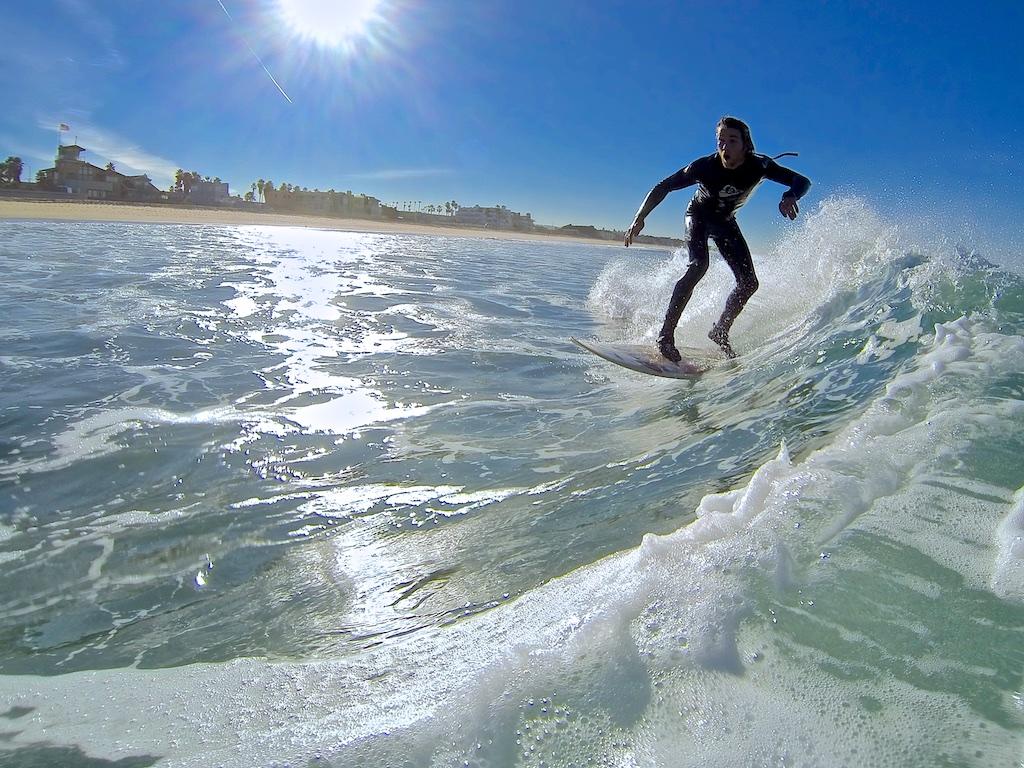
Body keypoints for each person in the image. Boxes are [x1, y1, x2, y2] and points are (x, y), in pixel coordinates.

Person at [624, 116, 811, 360]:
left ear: (746, 144)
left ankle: (721, 330)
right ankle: (665, 337)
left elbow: (802, 181)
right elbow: (664, 185)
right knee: (698, 265)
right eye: (721, 141)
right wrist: (640, 217)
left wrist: (791, 195)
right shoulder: (703, 167)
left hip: (725, 222)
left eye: (732, 141)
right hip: (698, 216)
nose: (725, 147)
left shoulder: (760, 166)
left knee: (749, 283)